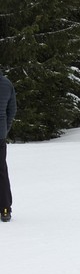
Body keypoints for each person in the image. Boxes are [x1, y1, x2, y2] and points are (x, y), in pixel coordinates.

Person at [0, 70, 17, 222]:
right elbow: (12, 110)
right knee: (1, 172)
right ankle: (5, 209)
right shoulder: (6, 83)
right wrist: (5, 128)